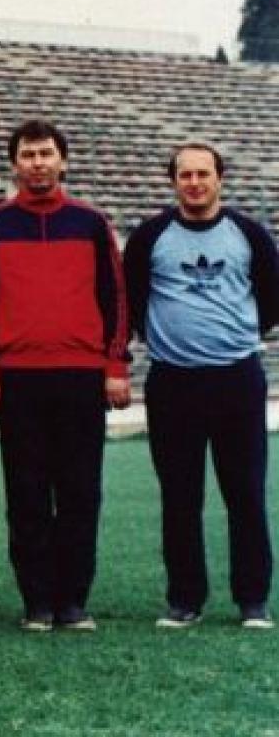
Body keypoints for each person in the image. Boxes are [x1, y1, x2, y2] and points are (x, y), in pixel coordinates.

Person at [0, 119, 130, 632]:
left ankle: (74, 601)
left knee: (81, 490)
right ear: (14, 163)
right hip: (18, 378)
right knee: (27, 492)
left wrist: (116, 364)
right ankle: (37, 601)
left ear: (63, 160)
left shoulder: (90, 223)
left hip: (82, 375)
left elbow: (115, 298)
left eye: (46, 154)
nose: (37, 163)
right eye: (28, 154)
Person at [125, 143, 277, 629]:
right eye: (185, 175)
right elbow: (134, 304)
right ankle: (185, 599)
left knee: (245, 493)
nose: (194, 182)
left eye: (203, 174)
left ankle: (252, 599)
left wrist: (235, 337)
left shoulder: (249, 233)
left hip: (237, 379)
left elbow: (272, 300)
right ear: (173, 181)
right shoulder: (150, 237)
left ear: (220, 178)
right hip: (173, 382)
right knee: (180, 495)